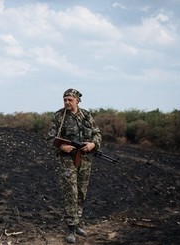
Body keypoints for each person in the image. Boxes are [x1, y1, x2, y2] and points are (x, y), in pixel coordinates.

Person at [47, 88, 102, 243]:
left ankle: (77, 222)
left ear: (77, 100)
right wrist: (61, 147)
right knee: (70, 191)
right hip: (67, 159)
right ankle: (71, 227)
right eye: (64, 99)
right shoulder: (59, 116)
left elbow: (97, 134)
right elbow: (50, 138)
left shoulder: (86, 115)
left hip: (85, 159)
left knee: (81, 192)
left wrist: (93, 144)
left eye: (70, 100)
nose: (67, 102)